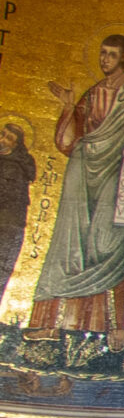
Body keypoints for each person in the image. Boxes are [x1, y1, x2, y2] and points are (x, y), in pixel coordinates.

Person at [28, 33, 124, 347]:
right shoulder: (92, 94)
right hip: (82, 168)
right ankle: (53, 324)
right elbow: (68, 142)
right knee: (69, 245)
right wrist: (69, 107)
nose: (105, 59)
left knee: (110, 242)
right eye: (102, 53)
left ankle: (114, 327)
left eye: (112, 54)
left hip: (118, 169)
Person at [0, 124, 35, 307]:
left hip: (7, 226)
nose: (2, 140)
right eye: (2, 135)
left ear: (16, 145)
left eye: (8, 138)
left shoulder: (17, 166)